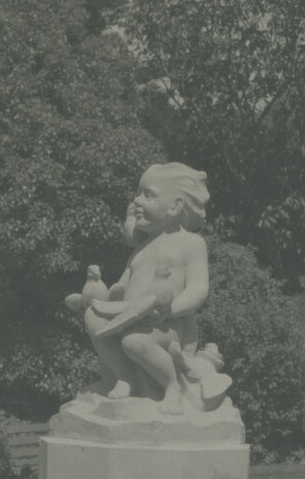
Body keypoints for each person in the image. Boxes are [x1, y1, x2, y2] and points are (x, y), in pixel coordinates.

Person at [75, 164, 212, 414]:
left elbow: (199, 288)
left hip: (165, 326)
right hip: (129, 315)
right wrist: (99, 294)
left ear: (175, 206)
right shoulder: (141, 248)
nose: (136, 201)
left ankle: (172, 386)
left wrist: (170, 310)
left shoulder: (191, 243)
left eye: (148, 195)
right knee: (93, 318)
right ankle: (124, 376)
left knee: (134, 340)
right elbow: (122, 287)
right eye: (138, 193)